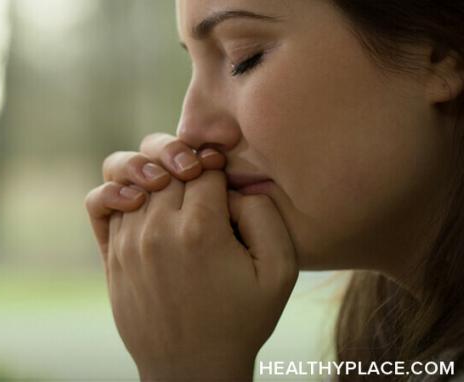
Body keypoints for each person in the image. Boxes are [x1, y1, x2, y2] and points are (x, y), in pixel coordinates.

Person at [84, 0, 464, 381]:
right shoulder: (387, 345)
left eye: (243, 58)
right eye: (194, 66)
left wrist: (189, 369)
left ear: (441, 53)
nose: (190, 130)